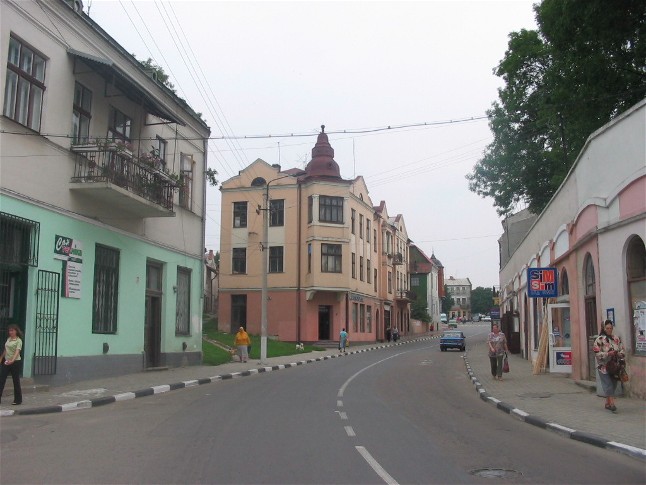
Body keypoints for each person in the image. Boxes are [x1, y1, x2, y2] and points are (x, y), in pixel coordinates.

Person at [593, 320, 625, 413]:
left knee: (614, 384)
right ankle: (612, 404)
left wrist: (618, 354)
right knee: (608, 384)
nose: (609, 330)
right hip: (603, 366)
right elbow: (597, 353)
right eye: (607, 328)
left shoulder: (616, 339)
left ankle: (607, 403)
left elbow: (622, 350)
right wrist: (608, 353)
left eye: (611, 328)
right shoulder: (599, 339)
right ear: (604, 328)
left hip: (614, 366)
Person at [0, 324, 23, 405]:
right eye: (10, 331)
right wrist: (1, 358)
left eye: (12, 330)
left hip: (15, 362)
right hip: (6, 361)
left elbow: (17, 351)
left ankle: (18, 400)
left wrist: (12, 360)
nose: (11, 332)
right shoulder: (8, 339)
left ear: (16, 331)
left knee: (15, 380)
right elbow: (5, 350)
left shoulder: (18, 340)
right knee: (1, 379)